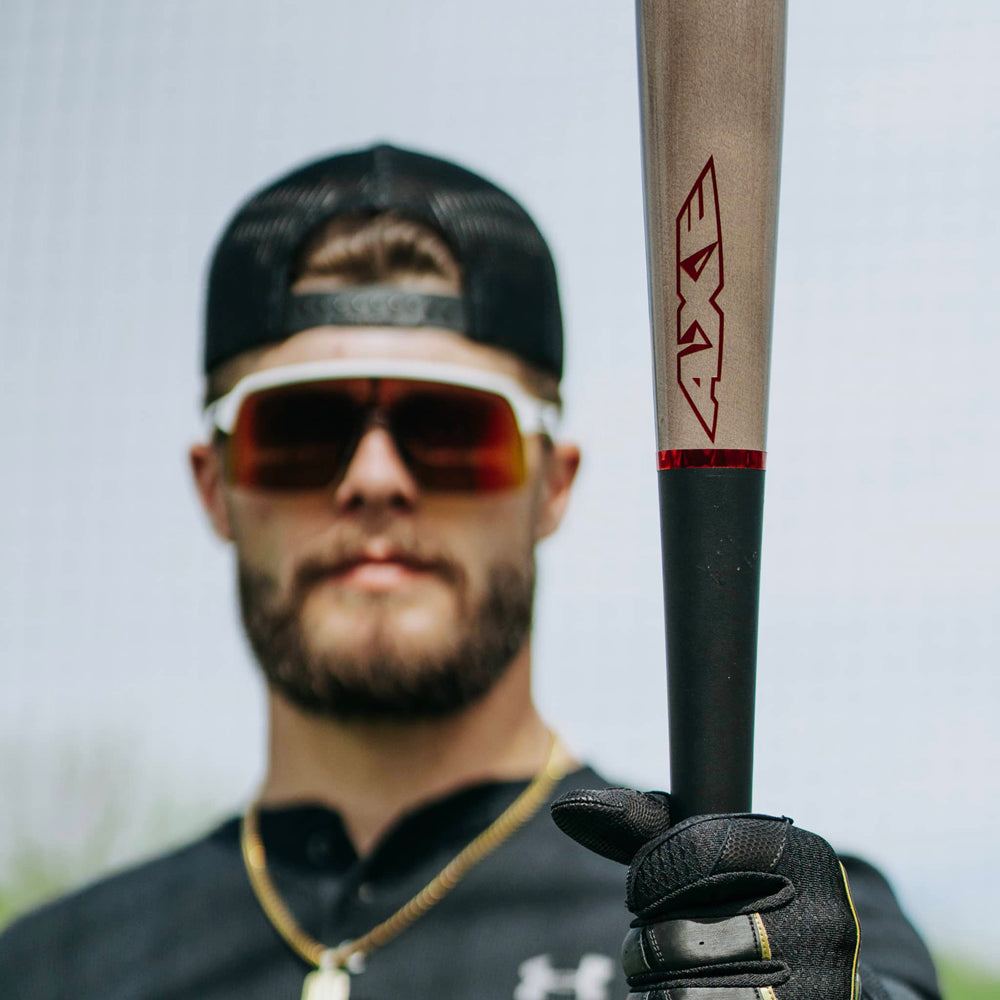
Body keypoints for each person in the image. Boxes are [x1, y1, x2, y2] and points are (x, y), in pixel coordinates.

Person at [0, 144, 939, 1000]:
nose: (374, 480)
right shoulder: (51, 968)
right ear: (215, 484)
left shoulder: (767, 933)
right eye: (299, 430)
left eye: (452, 430)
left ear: (552, 485)